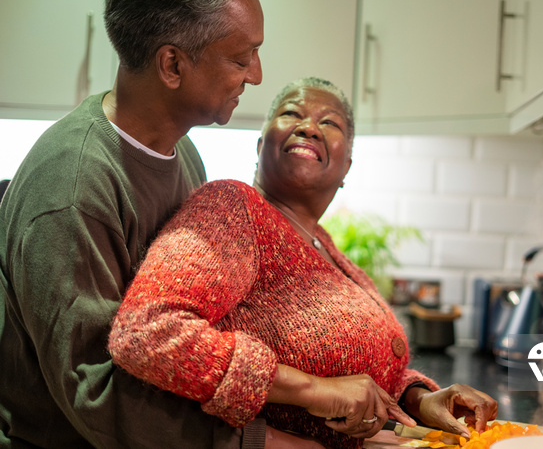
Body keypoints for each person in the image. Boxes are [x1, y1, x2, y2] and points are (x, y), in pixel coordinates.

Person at [108, 77, 499, 449]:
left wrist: (418, 399)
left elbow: (368, 376)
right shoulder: (233, 208)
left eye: (329, 123)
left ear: (346, 168)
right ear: (261, 144)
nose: (309, 127)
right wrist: (312, 389)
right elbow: (147, 332)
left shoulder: (326, 248)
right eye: (291, 114)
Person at [0, 0, 268, 447]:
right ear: (172, 65)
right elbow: (95, 391)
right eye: (242, 59)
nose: (257, 75)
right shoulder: (74, 186)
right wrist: (259, 441)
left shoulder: (184, 153)